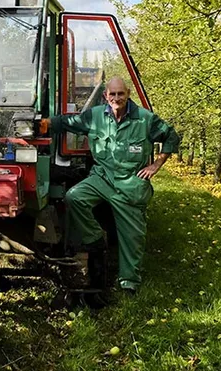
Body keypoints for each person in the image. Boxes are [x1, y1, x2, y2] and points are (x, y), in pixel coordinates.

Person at [41, 76, 180, 294]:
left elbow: (171, 136)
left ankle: (129, 283)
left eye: (120, 94)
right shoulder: (95, 116)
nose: (116, 98)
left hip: (131, 183)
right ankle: (95, 239)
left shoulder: (145, 119)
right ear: (106, 95)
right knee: (74, 197)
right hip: (102, 178)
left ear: (128, 94)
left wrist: (156, 164)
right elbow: (71, 123)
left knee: (132, 238)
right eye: (112, 94)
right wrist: (48, 123)